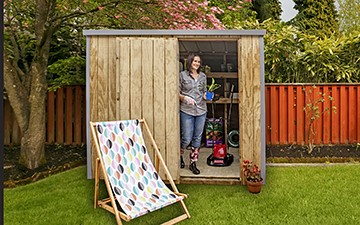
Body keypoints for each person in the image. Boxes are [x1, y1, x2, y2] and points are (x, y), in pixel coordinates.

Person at [179, 54, 209, 175]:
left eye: (198, 61)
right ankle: (179, 156)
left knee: (197, 138)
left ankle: (193, 162)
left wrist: (207, 95)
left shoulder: (203, 76)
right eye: (194, 61)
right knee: (186, 138)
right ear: (190, 62)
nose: (196, 63)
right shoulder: (182, 75)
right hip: (186, 110)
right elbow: (176, 92)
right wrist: (184, 98)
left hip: (201, 110)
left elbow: (204, 91)